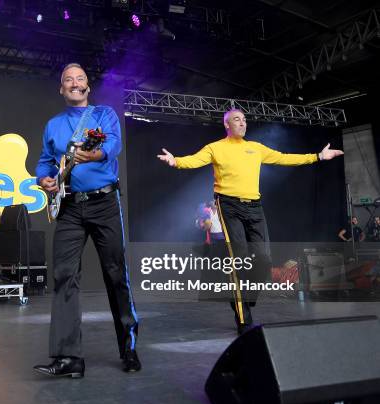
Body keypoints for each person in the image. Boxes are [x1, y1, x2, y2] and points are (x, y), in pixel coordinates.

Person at [157, 109, 344, 334]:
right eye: (237, 119)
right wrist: (175, 161)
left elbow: (284, 158)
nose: (243, 123)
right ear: (227, 124)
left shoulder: (255, 148)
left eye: (245, 120)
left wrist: (317, 156)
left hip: (254, 206)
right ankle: (244, 319)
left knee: (263, 259)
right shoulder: (215, 148)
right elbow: (194, 161)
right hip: (229, 205)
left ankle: (246, 296)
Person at [33, 63, 140, 378]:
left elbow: (113, 145)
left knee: (115, 274)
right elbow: (44, 161)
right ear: (61, 89)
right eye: (68, 79)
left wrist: (97, 154)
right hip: (68, 208)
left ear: (87, 86)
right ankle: (69, 358)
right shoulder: (53, 125)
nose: (74, 83)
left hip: (105, 203)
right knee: (64, 276)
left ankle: (129, 348)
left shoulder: (104, 115)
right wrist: (45, 180)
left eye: (80, 78)